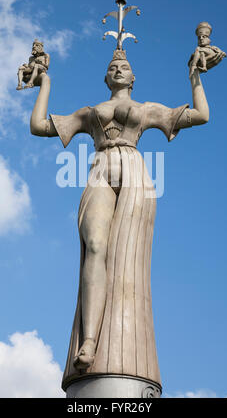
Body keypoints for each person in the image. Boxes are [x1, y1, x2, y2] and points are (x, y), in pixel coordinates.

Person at [29, 48, 210, 389]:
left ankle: (113, 343)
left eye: (123, 66)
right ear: (105, 77)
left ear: (132, 77)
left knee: (125, 260)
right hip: (100, 171)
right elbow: (38, 127)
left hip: (134, 174)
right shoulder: (88, 113)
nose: (117, 69)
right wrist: (45, 83)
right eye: (112, 66)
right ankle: (90, 341)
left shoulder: (146, 109)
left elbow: (201, 115)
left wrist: (195, 76)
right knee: (94, 245)